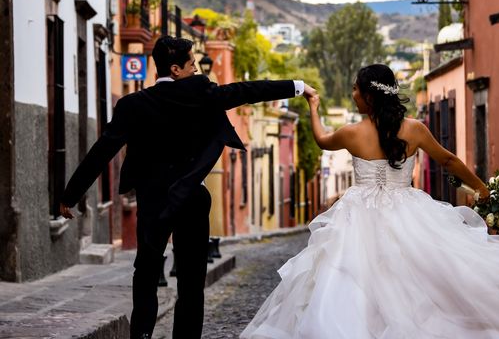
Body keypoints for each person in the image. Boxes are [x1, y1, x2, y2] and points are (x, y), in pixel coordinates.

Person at [241, 63, 499, 339]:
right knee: (421, 275)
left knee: (353, 276)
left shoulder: (350, 133)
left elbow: (320, 139)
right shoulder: (414, 129)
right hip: (409, 210)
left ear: (370, 96)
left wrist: (313, 107)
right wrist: (481, 188)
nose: (353, 94)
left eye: (357, 89)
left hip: (358, 215)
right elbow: (448, 160)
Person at [59, 36, 315, 339]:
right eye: (192, 64)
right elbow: (248, 91)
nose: (196, 69)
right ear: (176, 68)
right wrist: (297, 86)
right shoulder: (202, 94)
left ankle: (141, 335)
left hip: (153, 200)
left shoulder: (132, 105)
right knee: (192, 283)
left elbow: (103, 149)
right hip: (192, 198)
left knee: (146, 275)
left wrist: (70, 195)